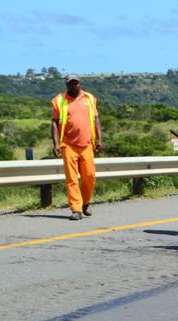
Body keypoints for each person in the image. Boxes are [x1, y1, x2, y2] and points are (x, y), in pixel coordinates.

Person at [51, 74, 103, 220]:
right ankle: (76, 209)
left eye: (75, 83)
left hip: (87, 144)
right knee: (72, 179)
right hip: (68, 144)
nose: (73, 86)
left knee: (89, 176)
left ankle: (85, 202)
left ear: (79, 84)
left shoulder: (89, 98)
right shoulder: (59, 101)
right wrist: (56, 144)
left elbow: (96, 119)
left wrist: (100, 139)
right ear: (66, 85)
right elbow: (54, 122)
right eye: (70, 84)